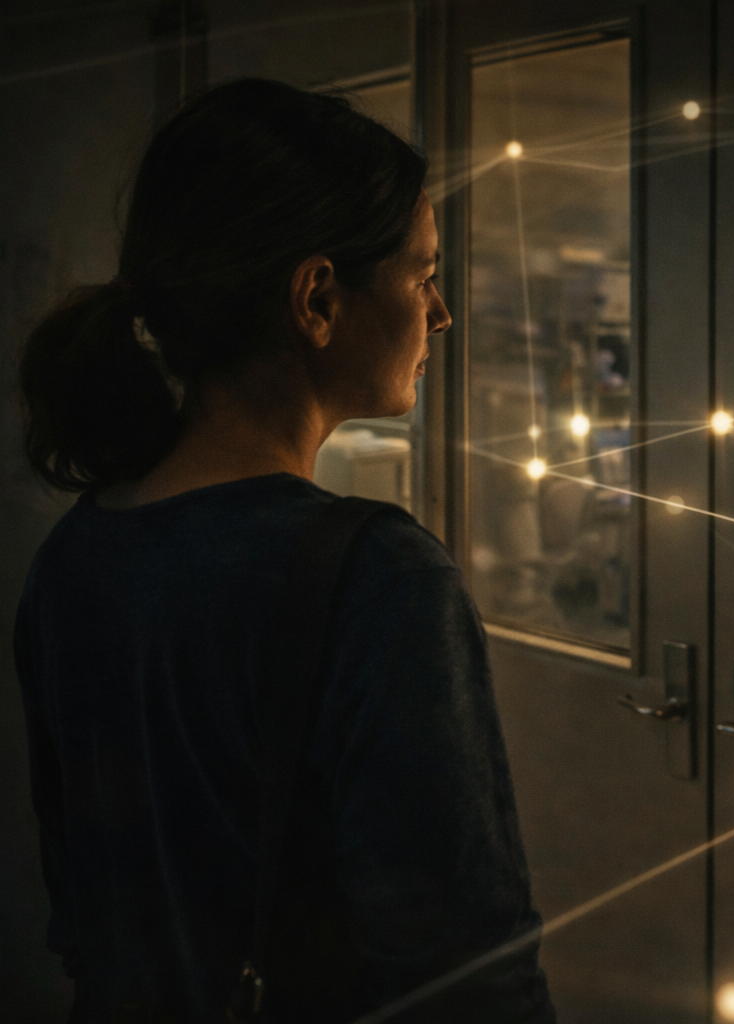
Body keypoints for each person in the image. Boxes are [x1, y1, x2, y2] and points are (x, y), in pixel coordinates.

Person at [15, 80, 555, 1022]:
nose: (441, 314)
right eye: (423, 275)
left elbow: (79, 911)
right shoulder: (377, 582)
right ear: (317, 298)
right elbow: (470, 984)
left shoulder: (76, 557)